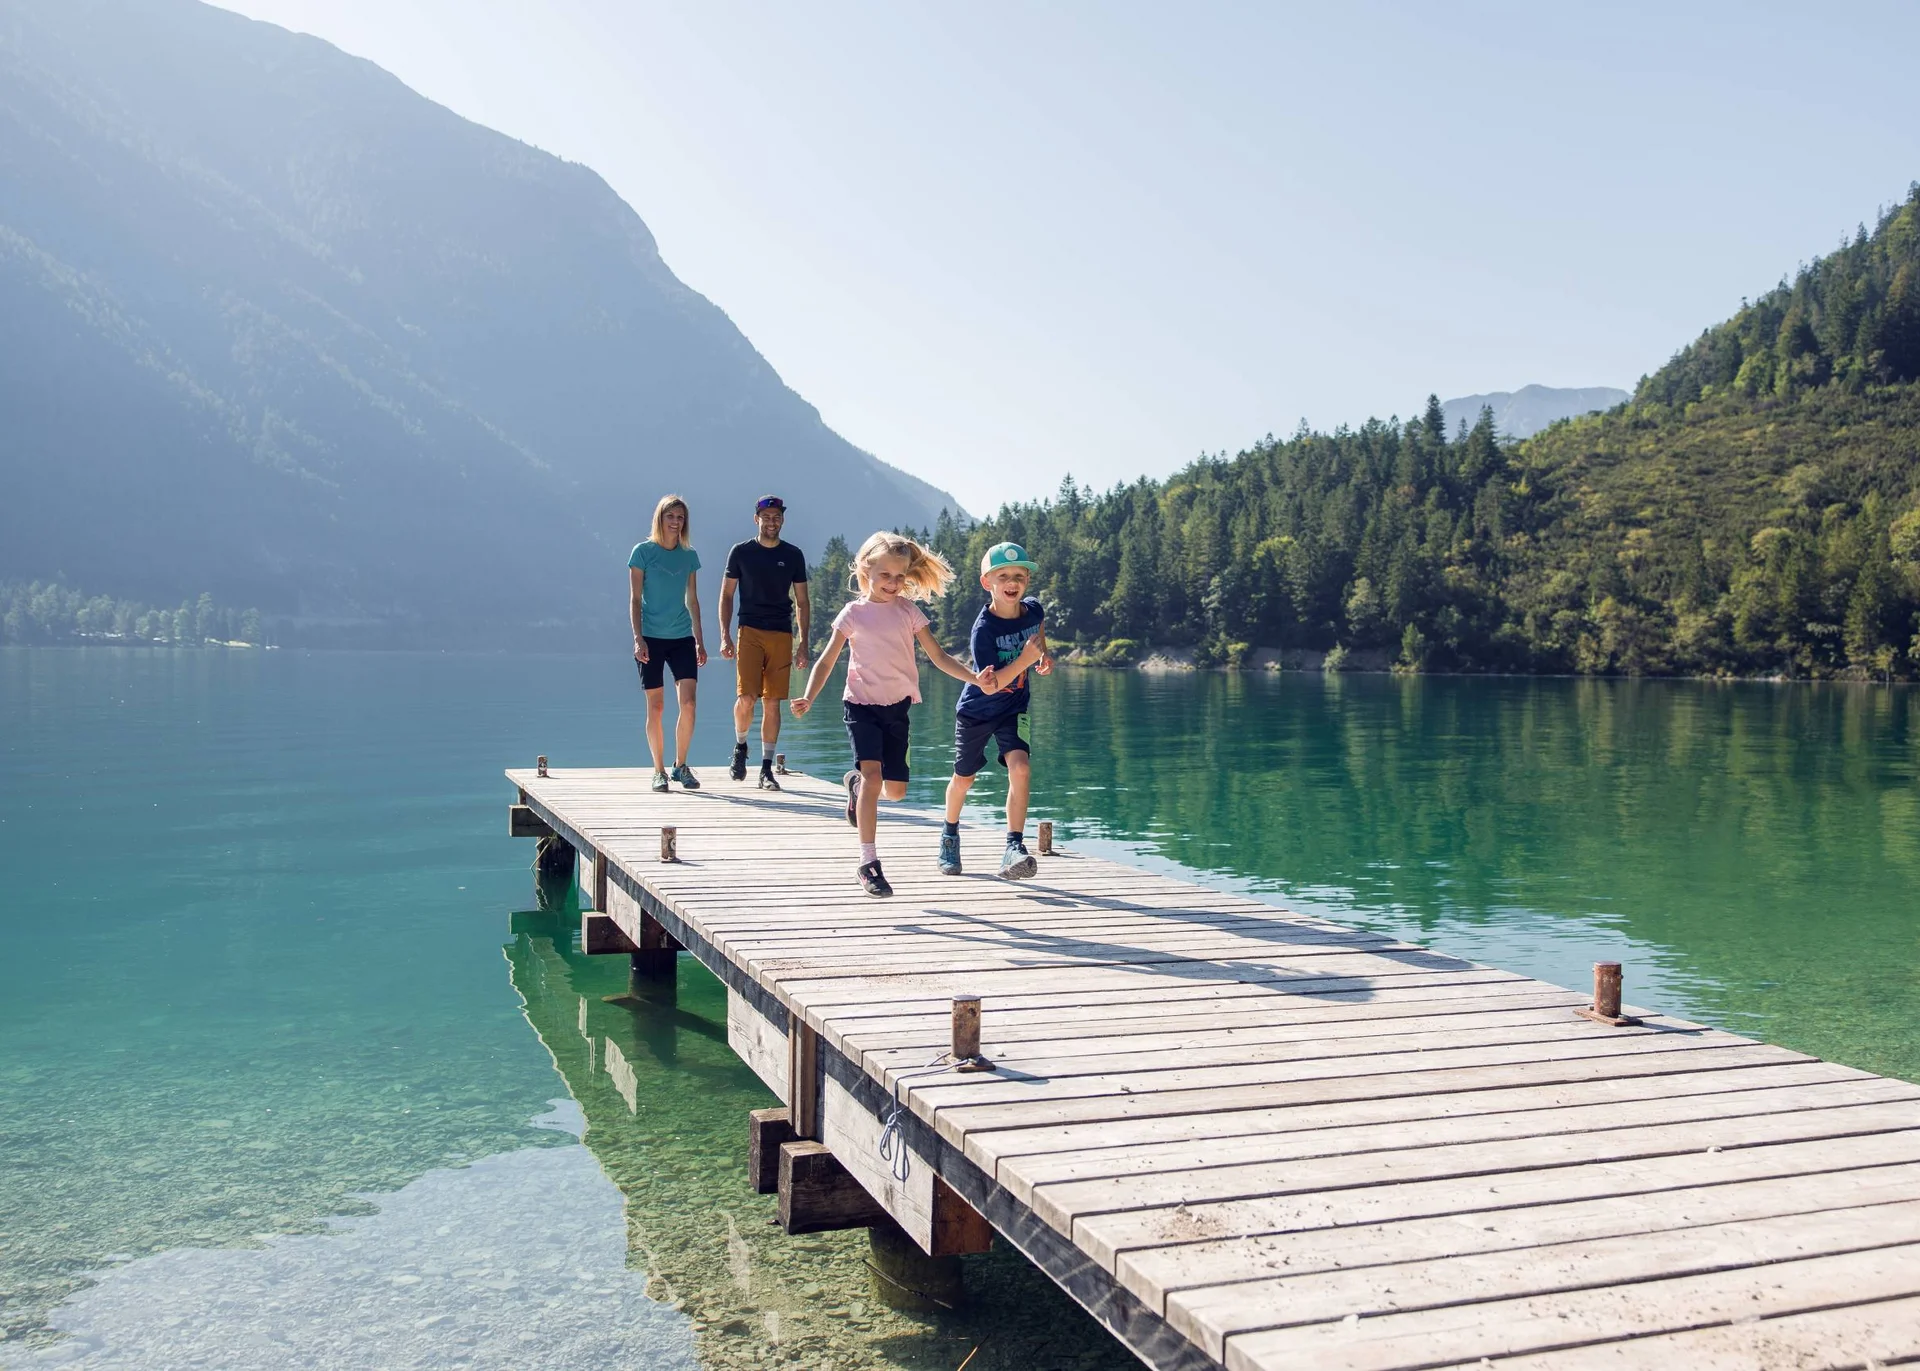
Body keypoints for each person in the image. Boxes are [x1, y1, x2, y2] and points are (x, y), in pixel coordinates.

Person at [791, 532, 991, 897]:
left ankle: (854, 786)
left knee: (894, 792)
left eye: (900, 577)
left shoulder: (908, 612)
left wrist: (975, 678)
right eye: (886, 575)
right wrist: (808, 696)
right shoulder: (853, 614)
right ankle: (869, 863)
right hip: (861, 706)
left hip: (897, 708)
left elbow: (939, 657)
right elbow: (828, 659)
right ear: (866, 570)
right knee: (873, 776)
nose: (894, 584)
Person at [941, 542, 1052, 879]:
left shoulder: (1033, 610)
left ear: (1027, 580)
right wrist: (1025, 660)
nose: (1012, 581)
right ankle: (949, 834)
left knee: (1021, 769)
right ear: (986, 581)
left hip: (1014, 708)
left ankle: (1013, 846)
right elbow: (990, 683)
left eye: (1019, 575)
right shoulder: (983, 631)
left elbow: (1038, 630)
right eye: (1003, 575)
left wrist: (1043, 656)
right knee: (965, 778)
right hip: (977, 710)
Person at [718, 495, 811, 791]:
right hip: (750, 631)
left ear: (782, 519)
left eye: (777, 516)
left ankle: (767, 769)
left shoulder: (793, 555)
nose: (772, 521)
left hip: (782, 634)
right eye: (766, 516)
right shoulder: (741, 552)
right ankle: (741, 746)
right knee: (746, 698)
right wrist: (725, 635)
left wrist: (803, 643)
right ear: (756, 518)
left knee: (773, 703)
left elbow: (803, 602)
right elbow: (727, 595)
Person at [629, 494, 707, 792]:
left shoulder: (689, 556)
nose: (676, 522)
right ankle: (658, 770)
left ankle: (680, 765)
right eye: (670, 517)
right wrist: (638, 638)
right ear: (660, 519)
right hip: (650, 637)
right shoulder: (642, 552)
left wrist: (700, 640)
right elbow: (635, 599)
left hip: (681, 637)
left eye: (680, 517)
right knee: (657, 707)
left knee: (688, 704)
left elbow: (693, 599)